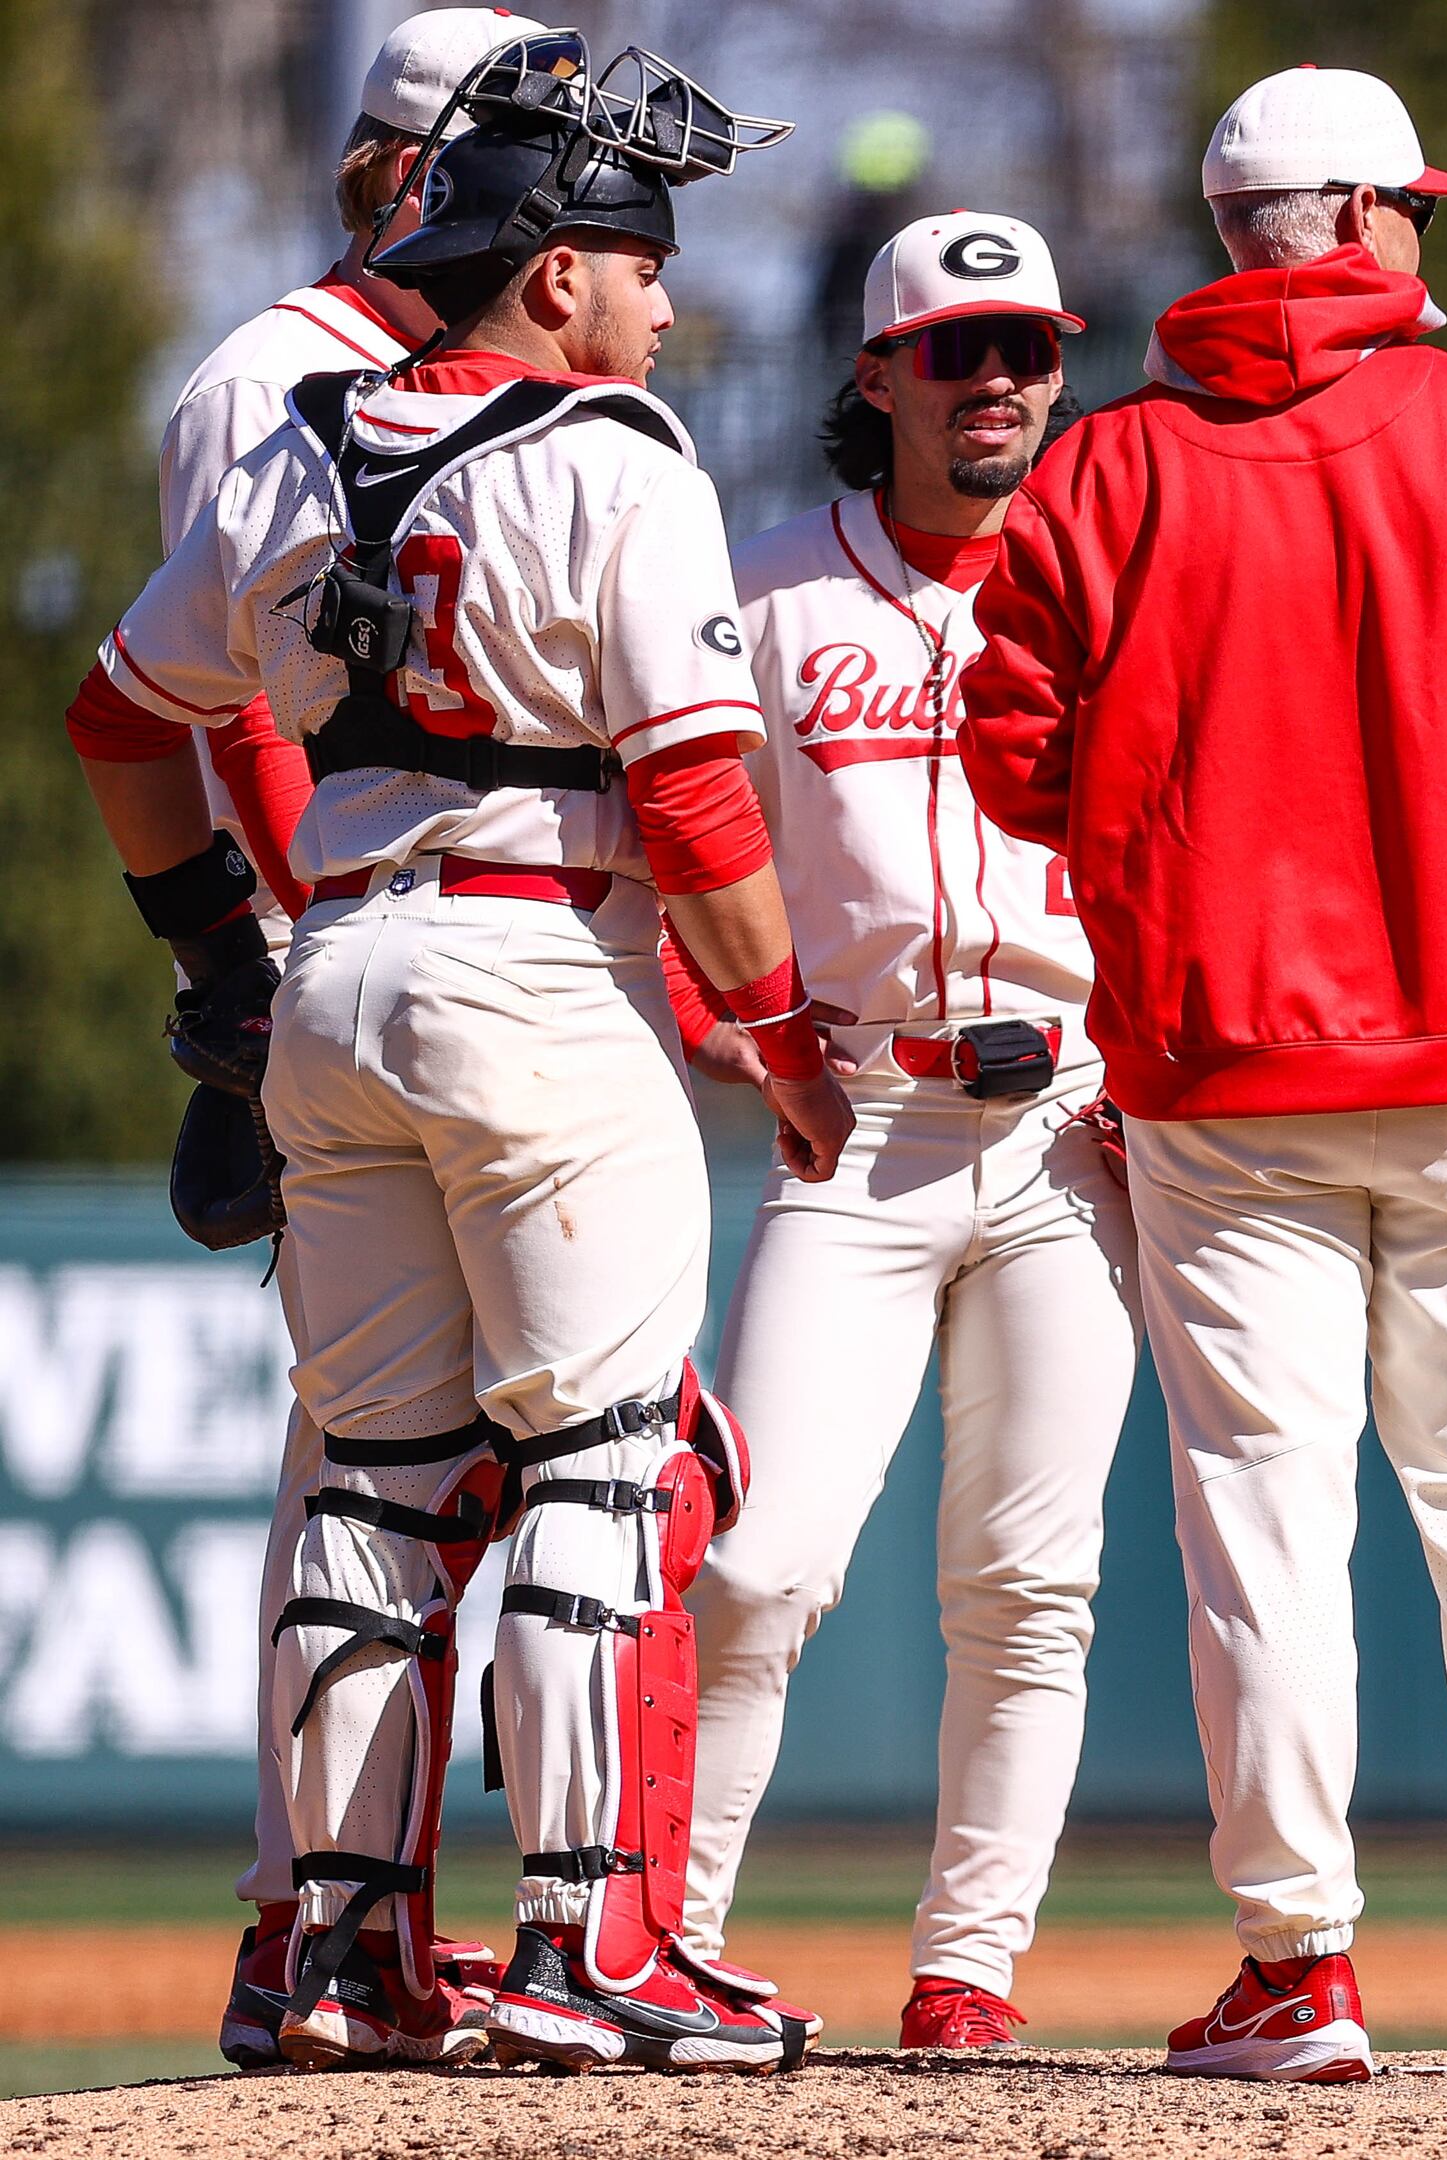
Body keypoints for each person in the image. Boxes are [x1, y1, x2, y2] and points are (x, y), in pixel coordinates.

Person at [64, 33, 845, 2072]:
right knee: (603, 1458)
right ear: (560, 269)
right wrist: (778, 1037)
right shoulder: (617, 459)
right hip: (528, 964)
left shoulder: (299, 442)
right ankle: (591, 1953)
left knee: (381, 1485)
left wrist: (218, 964)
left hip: (337, 969)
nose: (668, 305)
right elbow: (694, 802)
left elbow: (119, 717)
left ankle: (336, 1959)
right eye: (644, 264)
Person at [959, 66, 1447, 2082]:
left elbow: (1010, 752)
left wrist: (1161, 814)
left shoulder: (1104, 470)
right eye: (1417, 212)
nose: (1428, 243)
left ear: (1232, 238)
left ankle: (1303, 1963)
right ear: (1363, 222)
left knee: (1267, 1527)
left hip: (1223, 1072)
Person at [668, 211, 1130, 2055]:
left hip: (1076, 1122)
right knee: (754, 1563)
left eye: (1030, 345)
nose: (1003, 378)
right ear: (881, 375)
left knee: (1034, 1578)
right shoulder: (771, 590)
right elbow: (673, 870)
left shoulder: (1122, 577)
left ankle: (969, 1975)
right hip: (852, 1121)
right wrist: (737, 1039)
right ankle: (664, 1936)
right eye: (960, 348)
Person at [164, 3, 563, 2073]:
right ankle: (307, 1927)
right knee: (388, 1470)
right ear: (427, 167)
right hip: (373, 956)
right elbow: (205, 692)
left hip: (411, 961)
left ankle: (360, 1932)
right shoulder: (281, 372)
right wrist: (257, 956)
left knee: (451, 1469)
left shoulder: (405, 368)